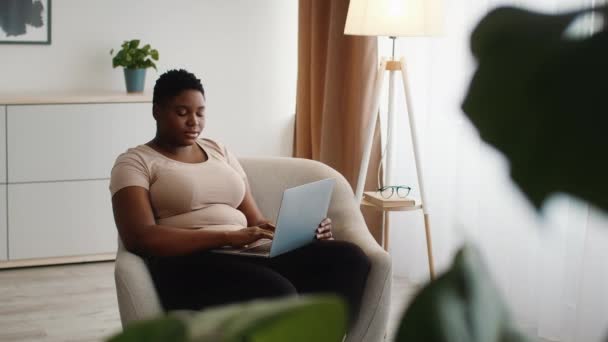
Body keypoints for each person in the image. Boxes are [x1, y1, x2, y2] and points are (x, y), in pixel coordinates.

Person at [109, 69, 371, 324]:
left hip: (247, 254)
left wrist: (302, 232)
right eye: (182, 112)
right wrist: (226, 236)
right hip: (188, 264)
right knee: (278, 293)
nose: (194, 122)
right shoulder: (135, 162)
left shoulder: (218, 150)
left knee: (349, 258)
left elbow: (255, 220)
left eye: (200, 113)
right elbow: (139, 237)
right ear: (156, 111)